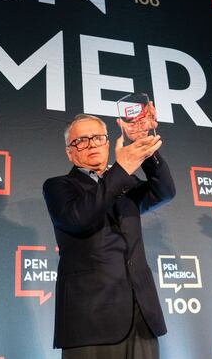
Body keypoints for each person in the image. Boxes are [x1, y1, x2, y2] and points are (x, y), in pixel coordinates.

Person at [43, 106, 175, 359]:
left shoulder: (125, 184)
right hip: (91, 321)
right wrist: (121, 169)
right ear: (70, 153)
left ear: (107, 143)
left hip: (142, 316)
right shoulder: (59, 186)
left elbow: (164, 191)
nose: (91, 145)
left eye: (98, 138)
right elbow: (79, 218)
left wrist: (142, 145)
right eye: (81, 141)